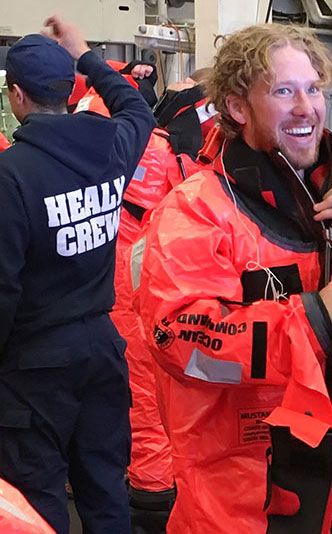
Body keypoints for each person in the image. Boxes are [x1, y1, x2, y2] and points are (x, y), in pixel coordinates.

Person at [132, 23, 332, 534]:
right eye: (283, 90)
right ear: (238, 108)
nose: (306, 107)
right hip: (237, 496)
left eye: (313, 88)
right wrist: (309, 320)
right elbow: (178, 338)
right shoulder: (196, 211)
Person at [0, 15, 155, 534]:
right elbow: (138, 106)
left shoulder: (11, 174)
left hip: (32, 367)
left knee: (37, 504)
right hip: (102, 352)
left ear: (16, 96)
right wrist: (85, 54)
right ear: (72, 89)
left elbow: (3, 287)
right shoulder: (113, 145)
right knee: (106, 491)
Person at [77, 70, 214, 532]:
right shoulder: (172, 152)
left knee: (130, 399)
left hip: (107, 289)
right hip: (150, 285)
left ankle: (151, 498)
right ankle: (156, 493)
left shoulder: (84, 144)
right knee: (153, 397)